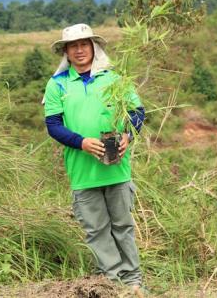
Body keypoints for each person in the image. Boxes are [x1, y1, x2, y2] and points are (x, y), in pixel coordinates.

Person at [43, 23, 146, 291]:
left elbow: (137, 112)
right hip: (82, 171)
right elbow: (53, 125)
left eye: (84, 44)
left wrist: (127, 136)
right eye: (73, 46)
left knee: (123, 225)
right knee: (97, 230)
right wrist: (82, 143)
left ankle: (134, 283)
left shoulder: (114, 78)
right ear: (66, 51)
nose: (79, 50)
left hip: (116, 168)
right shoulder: (58, 84)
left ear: (93, 47)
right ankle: (114, 283)